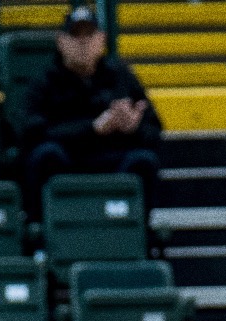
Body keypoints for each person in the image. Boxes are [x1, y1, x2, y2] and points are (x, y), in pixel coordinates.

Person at [23, 6, 163, 212]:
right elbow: (29, 132)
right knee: (45, 156)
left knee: (144, 160)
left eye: (89, 34)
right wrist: (92, 129)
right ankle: (43, 235)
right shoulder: (44, 81)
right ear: (61, 42)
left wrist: (134, 128)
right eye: (75, 34)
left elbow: (155, 130)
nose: (83, 41)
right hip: (68, 161)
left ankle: (139, 234)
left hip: (112, 161)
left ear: (102, 39)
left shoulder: (121, 76)